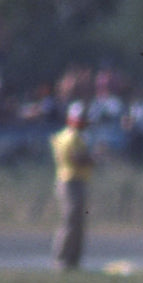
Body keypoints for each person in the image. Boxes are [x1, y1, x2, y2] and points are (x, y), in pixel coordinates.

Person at [51, 103, 94, 271]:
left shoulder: (79, 137)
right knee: (70, 220)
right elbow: (76, 159)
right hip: (70, 181)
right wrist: (92, 159)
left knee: (79, 222)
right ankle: (62, 259)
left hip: (79, 180)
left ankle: (73, 260)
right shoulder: (69, 137)